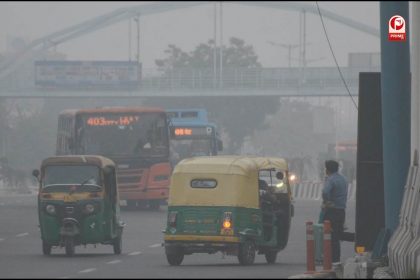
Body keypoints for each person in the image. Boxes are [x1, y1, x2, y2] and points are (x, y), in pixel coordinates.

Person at [319, 159, 348, 264]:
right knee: (337, 236)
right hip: (341, 211)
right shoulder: (344, 179)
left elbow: (325, 192)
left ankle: (329, 259)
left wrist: (327, 201)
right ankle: (336, 259)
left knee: (329, 235)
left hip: (331, 211)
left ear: (327, 170)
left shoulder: (331, 180)